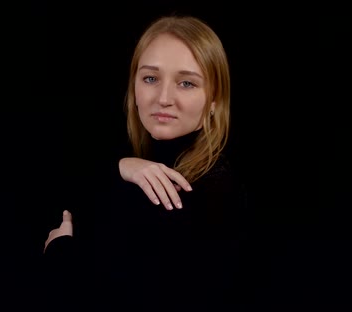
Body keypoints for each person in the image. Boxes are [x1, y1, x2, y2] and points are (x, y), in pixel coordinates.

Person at [43, 14, 247, 311]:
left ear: (214, 100)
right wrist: (122, 166)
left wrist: (59, 252)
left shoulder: (206, 191)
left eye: (187, 83)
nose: (163, 98)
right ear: (134, 88)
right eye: (151, 78)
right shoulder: (137, 165)